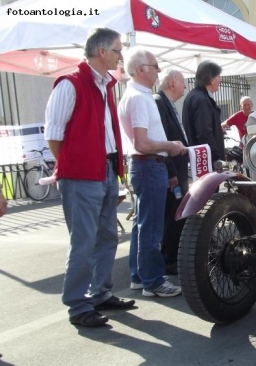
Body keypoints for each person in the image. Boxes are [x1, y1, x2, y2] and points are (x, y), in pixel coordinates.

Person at [44, 27, 132, 327]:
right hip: (82, 174)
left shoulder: (104, 86)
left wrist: (112, 171)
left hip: (105, 170)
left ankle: (100, 293)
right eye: (118, 50)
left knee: (107, 236)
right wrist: (74, 165)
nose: (121, 55)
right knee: (83, 241)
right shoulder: (71, 84)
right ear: (101, 51)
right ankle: (77, 304)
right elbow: (54, 136)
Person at [118, 47, 187, 297]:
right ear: (139, 70)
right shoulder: (138, 97)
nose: (158, 71)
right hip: (148, 164)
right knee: (151, 227)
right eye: (154, 66)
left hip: (147, 165)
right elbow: (142, 143)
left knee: (142, 224)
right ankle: (153, 281)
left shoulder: (138, 95)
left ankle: (141, 276)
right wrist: (170, 146)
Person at [153, 69, 188, 276]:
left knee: (177, 214)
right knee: (171, 216)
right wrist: (171, 171)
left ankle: (172, 257)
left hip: (178, 169)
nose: (185, 86)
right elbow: (163, 139)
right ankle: (168, 259)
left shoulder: (168, 104)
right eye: (183, 82)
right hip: (171, 171)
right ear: (172, 83)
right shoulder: (159, 102)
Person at [182, 60, 225, 168]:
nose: (220, 79)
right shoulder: (201, 99)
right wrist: (215, 158)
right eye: (218, 76)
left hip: (201, 158)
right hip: (206, 160)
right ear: (211, 79)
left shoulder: (195, 96)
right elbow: (204, 132)